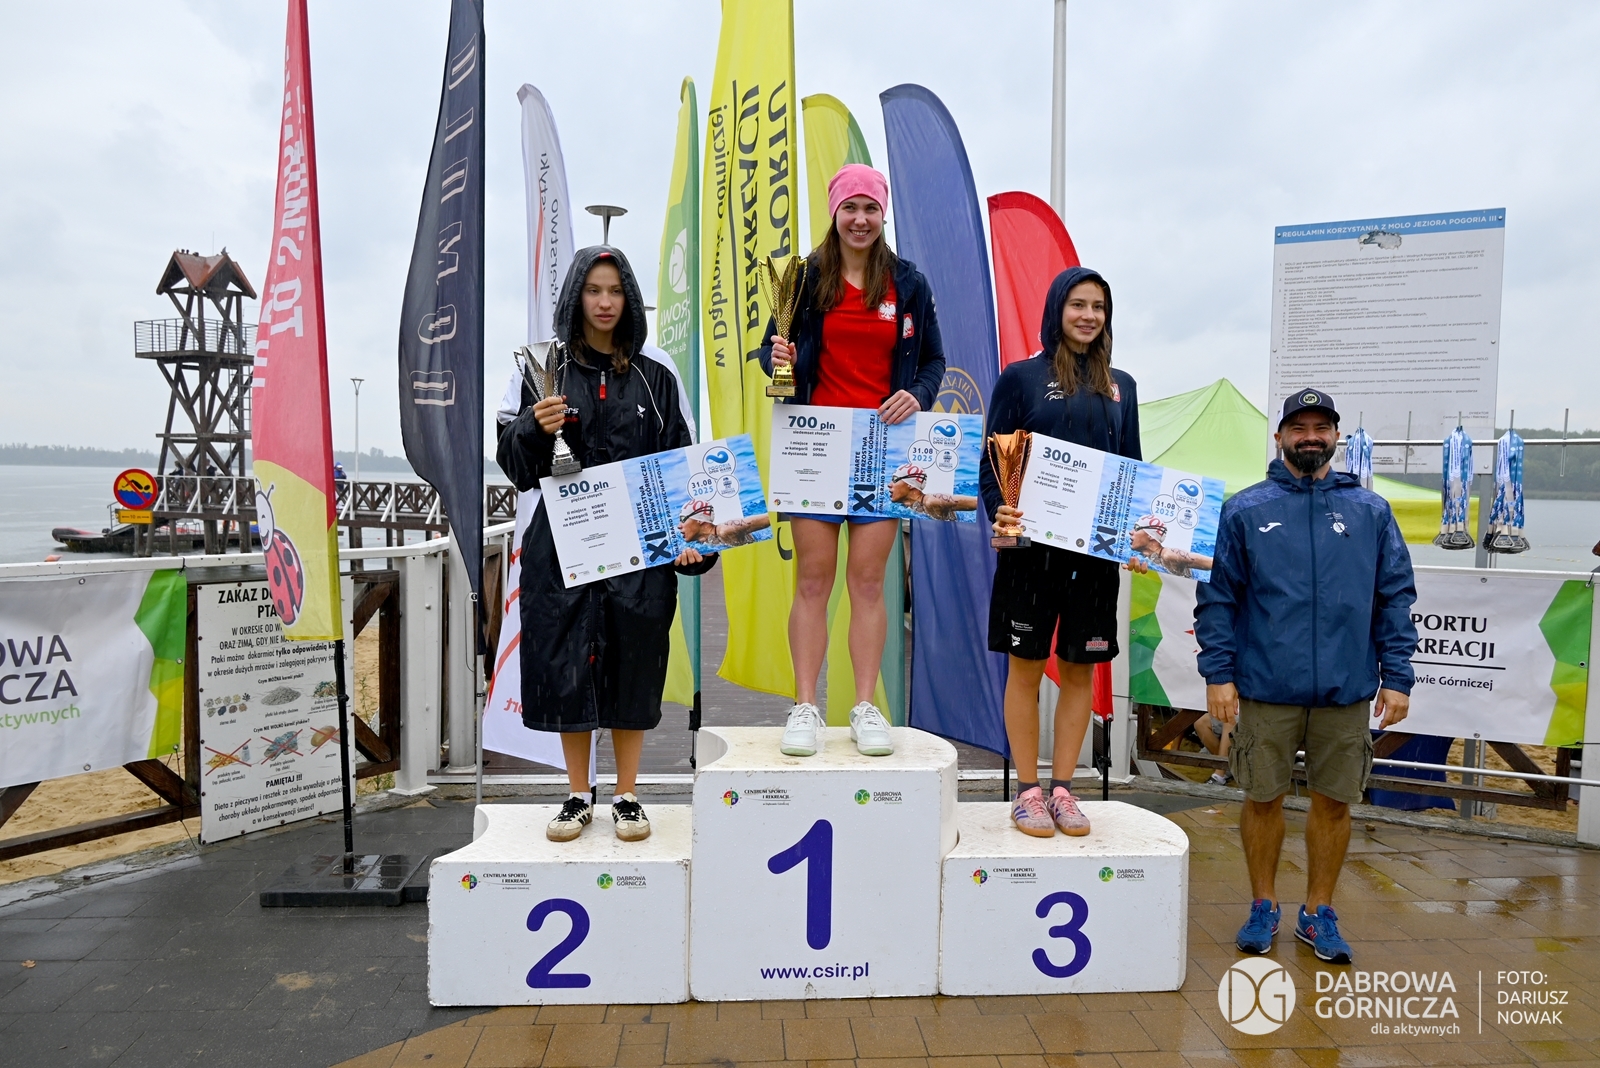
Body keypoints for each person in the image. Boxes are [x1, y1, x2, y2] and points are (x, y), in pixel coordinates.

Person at [497, 246, 716, 843]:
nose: (604, 302)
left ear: (630, 298)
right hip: (561, 547)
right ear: (576, 296)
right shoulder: (543, 372)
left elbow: (681, 468)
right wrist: (532, 427)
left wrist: (693, 542)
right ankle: (577, 794)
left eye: (615, 290)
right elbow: (516, 468)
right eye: (593, 290)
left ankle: (627, 794)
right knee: (568, 663)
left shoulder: (656, 376)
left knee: (632, 661)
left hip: (640, 548)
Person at [1195, 388, 1417, 964]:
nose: (1311, 437)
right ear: (1280, 438)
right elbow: (1217, 599)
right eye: (1299, 428)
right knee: (1261, 798)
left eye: (1322, 427)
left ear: (1336, 437)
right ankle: (1263, 905)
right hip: (1266, 688)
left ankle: (1318, 914)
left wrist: (1398, 676)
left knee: (1335, 803)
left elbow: (1395, 596)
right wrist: (1218, 674)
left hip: (1346, 690)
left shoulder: (1371, 511)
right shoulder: (1244, 510)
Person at [758, 164, 945, 758]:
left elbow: (933, 361)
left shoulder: (908, 283)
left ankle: (865, 706)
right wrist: (777, 357)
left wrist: (918, 394)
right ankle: (805, 706)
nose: (860, 220)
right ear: (834, 212)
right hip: (815, 446)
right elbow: (770, 353)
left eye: (870, 208)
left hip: (881, 450)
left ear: (882, 214)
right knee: (813, 581)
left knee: (867, 583)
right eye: (850, 208)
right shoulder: (805, 277)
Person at [980, 267, 1139, 837]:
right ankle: (1028, 791)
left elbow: (1130, 472)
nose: (1089, 316)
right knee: (1024, 670)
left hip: (1092, 558)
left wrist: (1137, 532)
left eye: (1098, 306)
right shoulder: (1020, 378)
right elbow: (991, 464)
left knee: (1079, 671)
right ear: (1056, 309)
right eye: (1078, 304)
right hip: (1030, 553)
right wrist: (999, 509)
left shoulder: (1122, 386)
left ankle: (1065, 791)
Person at [888, 463, 978, 521]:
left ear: (910, 485)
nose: (889, 485)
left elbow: (977, 502)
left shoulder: (932, 501)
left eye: (895, 479)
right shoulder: (906, 506)